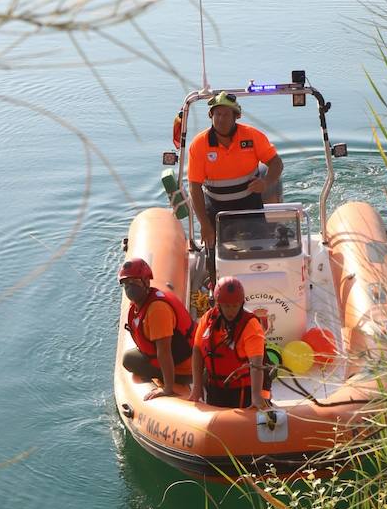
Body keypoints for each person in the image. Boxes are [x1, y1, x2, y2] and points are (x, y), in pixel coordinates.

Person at [188, 90, 284, 253]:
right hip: (216, 207)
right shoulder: (199, 144)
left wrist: (266, 182)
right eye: (217, 114)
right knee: (214, 256)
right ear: (211, 116)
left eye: (226, 114)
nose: (221, 119)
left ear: (236, 116)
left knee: (258, 250)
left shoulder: (252, 136)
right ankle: (214, 276)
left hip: (250, 204)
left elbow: (276, 163)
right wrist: (205, 224)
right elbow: (194, 186)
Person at [118, 257, 195, 399]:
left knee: (129, 360)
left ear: (146, 281)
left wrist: (167, 388)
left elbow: (164, 352)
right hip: (177, 360)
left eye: (134, 281)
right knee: (129, 359)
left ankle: (176, 382)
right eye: (126, 283)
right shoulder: (139, 304)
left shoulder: (157, 310)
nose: (129, 287)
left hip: (185, 368)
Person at [190, 277, 269, 410]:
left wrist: (256, 396)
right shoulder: (208, 319)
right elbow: (197, 351)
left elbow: (256, 364)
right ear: (218, 304)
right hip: (215, 387)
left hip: (243, 390)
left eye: (235, 306)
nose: (231, 311)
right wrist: (197, 387)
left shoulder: (251, 325)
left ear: (241, 304)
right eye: (226, 306)